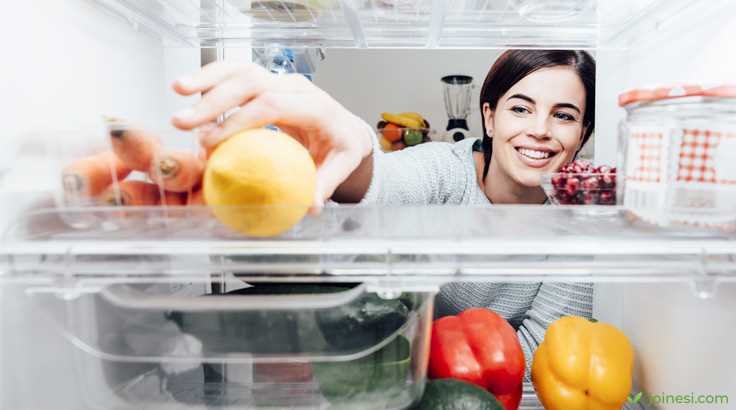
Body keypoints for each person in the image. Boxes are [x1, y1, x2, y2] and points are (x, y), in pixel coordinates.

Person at [170, 49, 596, 378]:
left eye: (563, 116)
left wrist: (426, 371)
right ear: (488, 117)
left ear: (582, 136)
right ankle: (176, 330)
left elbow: (547, 353)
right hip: (388, 364)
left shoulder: (578, 222)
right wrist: (353, 152)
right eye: (520, 108)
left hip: (470, 384)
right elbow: (385, 185)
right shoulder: (445, 168)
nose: (540, 129)